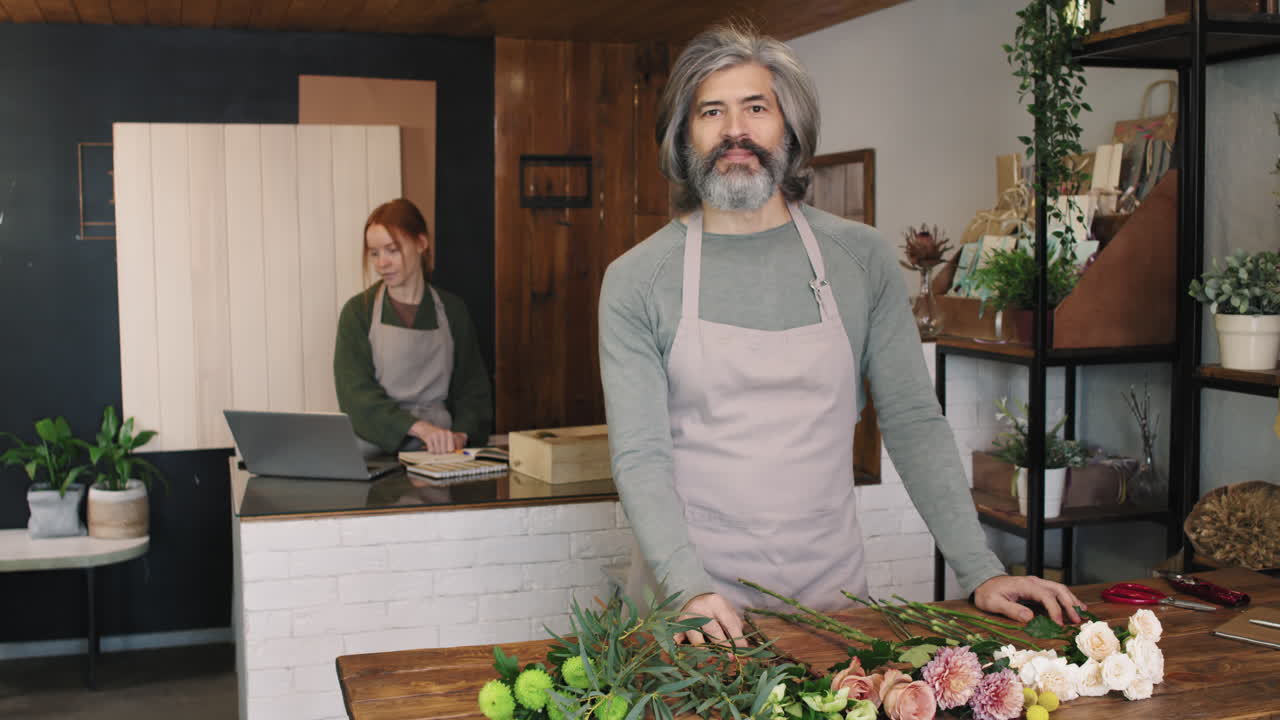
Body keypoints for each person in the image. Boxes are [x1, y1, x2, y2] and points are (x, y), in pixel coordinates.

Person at [597, 23, 1085, 648]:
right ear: (684, 136)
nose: (734, 131)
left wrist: (981, 571)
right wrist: (688, 588)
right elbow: (640, 455)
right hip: (690, 608)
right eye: (710, 111)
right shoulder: (637, 279)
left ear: (790, 129)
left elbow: (912, 420)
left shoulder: (860, 259)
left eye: (756, 108)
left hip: (829, 600)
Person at [335, 198, 492, 457]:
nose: (381, 263)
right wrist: (418, 429)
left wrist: (461, 435)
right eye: (375, 253)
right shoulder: (357, 313)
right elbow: (356, 397)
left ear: (421, 243)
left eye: (392, 250)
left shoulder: (453, 311)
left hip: (440, 451)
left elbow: (472, 389)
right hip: (378, 451)